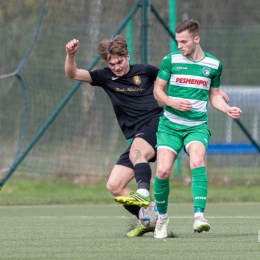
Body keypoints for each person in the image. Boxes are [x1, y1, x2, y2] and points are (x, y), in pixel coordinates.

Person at [65, 34, 229, 237]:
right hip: (137, 135)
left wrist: (213, 91)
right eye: (112, 63)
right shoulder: (104, 77)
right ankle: (150, 216)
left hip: (156, 123)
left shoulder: (145, 71)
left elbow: (176, 80)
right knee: (115, 186)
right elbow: (72, 74)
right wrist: (70, 55)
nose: (116, 66)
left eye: (119, 61)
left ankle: (143, 192)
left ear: (127, 56)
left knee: (138, 151)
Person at [152, 19, 242, 239]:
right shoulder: (170, 60)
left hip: (197, 126)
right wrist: (172, 102)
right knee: (162, 171)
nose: (179, 45)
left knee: (197, 162)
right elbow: (158, 91)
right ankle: (162, 219)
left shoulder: (213, 65)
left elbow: (214, 96)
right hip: (170, 126)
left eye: (184, 41)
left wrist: (227, 109)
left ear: (196, 39)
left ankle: (199, 217)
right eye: (177, 41)